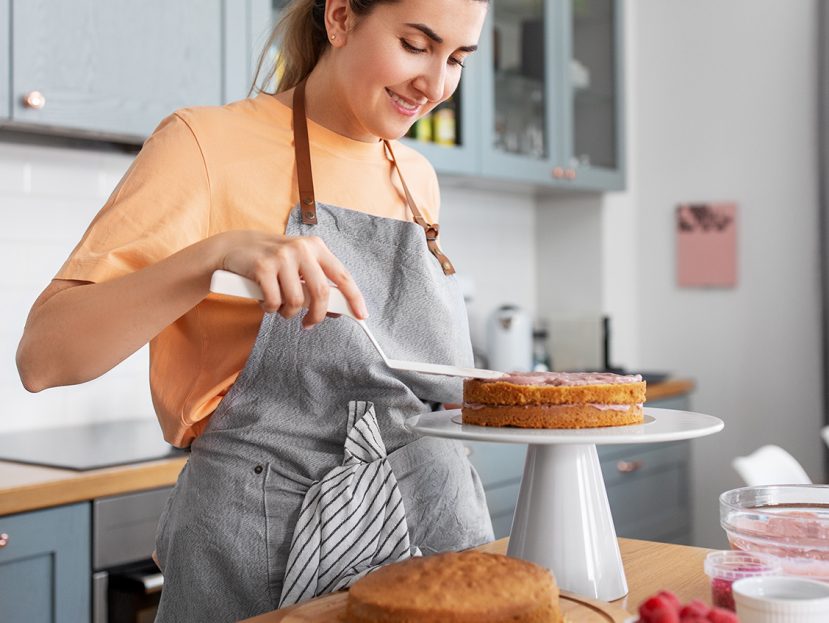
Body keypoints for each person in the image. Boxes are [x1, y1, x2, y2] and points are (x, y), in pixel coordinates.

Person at [16, 0, 492, 619]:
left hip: (424, 526)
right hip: (262, 538)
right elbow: (44, 358)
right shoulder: (204, 144)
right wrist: (211, 255)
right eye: (415, 45)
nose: (435, 85)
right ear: (341, 18)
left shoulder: (415, 176)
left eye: (456, 59)